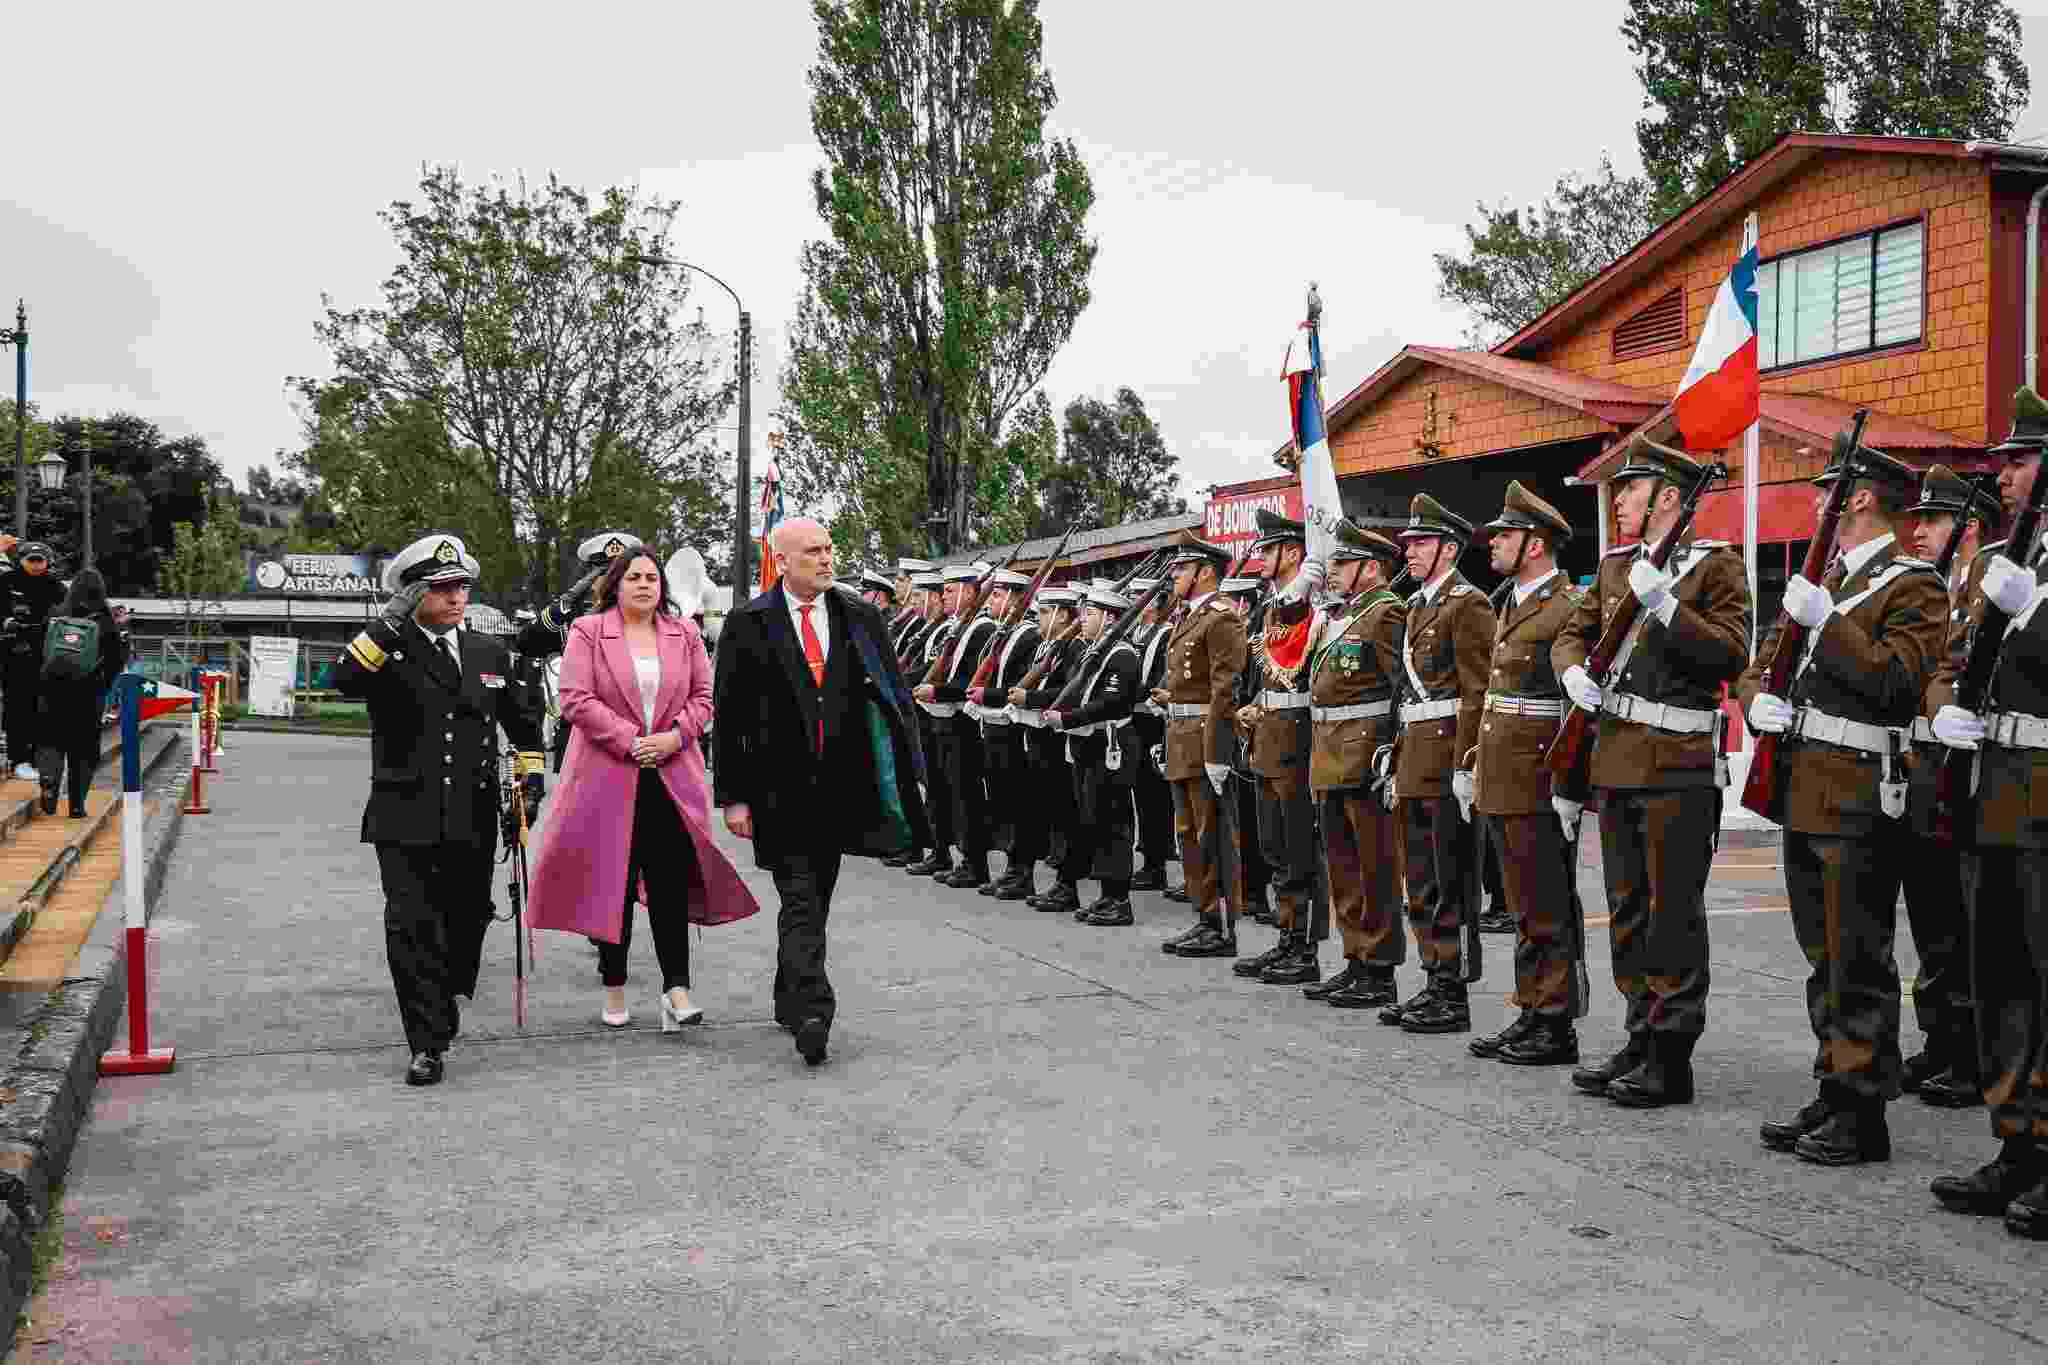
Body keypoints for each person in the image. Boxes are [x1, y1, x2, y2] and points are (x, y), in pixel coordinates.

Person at [1741, 440, 1944, 1161]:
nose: (1822, 498)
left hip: (1859, 790)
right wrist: (1754, 702)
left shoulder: (1915, 584)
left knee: (1859, 954)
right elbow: (1761, 664)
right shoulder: (1823, 579)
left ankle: (1864, 1111)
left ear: (1859, 497)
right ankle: (1834, 1084)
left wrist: (1828, 622)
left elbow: (1896, 682)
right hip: (1803, 784)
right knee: (1821, 953)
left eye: (1831, 486)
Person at [1555, 443, 1750, 1109]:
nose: (1619, 500)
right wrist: (1572, 669)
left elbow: (1729, 651)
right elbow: (1571, 633)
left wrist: (1667, 606)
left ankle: (1672, 1052)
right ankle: (1639, 1032)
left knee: (1674, 914)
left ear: (1670, 495)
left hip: (1676, 764)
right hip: (1616, 761)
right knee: (1630, 909)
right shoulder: (1616, 568)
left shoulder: (1716, 567)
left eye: (1631, 488)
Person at [713, 516, 931, 1067]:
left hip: (841, 793)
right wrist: (733, 797)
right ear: (781, 561)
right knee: (801, 898)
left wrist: (907, 776)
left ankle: (789, 995)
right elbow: (731, 715)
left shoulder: (859, 616)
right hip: (777, 795)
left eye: (830, 549)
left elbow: (893, 699)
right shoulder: (748, 624)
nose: (827, 559)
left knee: (817, 900)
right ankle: (814, 1010)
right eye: (813, 552)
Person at [331, 533, 546, 1087]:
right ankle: (425, 1042)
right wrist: (389, 620)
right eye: (442, 589)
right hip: (404, 815)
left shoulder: (487, 653)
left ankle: (445, 996)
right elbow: (343, 681)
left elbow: (523, 727)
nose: (456, 598)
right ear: (412, 594)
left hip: (471, 817)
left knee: (467, 918)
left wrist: (531, 778)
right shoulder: (388, 649)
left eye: (461, 588)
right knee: (411, 925)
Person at [525, 548, 759, 1029]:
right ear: (615, 584)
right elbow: (574, 699)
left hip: (671, 777)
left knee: (670, 885)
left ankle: (677, 989)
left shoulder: (685, 633)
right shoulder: (590, 632)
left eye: (652, 577)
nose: (645, 585)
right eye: (633, 577)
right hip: (607, 776)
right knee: (613, 885)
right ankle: (614, 987)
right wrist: (630, 741)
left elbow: (704, 696)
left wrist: (674, 736)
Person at [1928, 386, 2048, 1235]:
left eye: (2019, 459)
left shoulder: (2025, 576)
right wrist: (1943, 705)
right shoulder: (2004, 558)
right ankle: (2017, 1142)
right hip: (1990, 789)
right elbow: (1951, 654)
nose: (2003, 474)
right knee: (1999, 977)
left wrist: (2034, 612)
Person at [1468, 483, 1586, 1066]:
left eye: (1506, 535)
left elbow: (1573, 706)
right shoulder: (1510, 602)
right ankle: (1531, 1008)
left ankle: (1556, 1020)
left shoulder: (1567, 607)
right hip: (1502, 771)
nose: (1494, 543)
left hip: (1538, 774)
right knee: (1521, 903)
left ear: (1535, 545)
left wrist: (1570, 784)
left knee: (1546, 903)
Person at [1897, 464, 1995, 1110]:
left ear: (1968, 524)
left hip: (1967, 766)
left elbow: (1959, 663)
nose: (1921, 531)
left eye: (1934, 520)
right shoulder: (1937, 585)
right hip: (1929, 765)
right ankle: (1941, 1035)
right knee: (1932, 912)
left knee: (1965, 920)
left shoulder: (1987, 574)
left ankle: (1971, 1053)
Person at [1384, 496, 1495, 1033]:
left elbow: (1477, 690)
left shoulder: (1468, 604)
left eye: (1421, 543)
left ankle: (1453, 992)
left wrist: (1466, 762)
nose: (1410, 552)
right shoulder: (1418, 605)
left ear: (1449, 549)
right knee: (1421, 879)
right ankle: (1433, 977)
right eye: (1408, 544)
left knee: (1451, 878)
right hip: (1414, 754)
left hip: (1447, 750)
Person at [1305, 522, 1408, 1010]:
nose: (1335, 572)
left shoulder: (1387, 614)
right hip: (1329, 755)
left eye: (1344, 564)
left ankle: (1380, 968)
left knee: (1374, 869)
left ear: (1371, 568)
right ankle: (1354, 959)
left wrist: (1389, 752)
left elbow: (1399, 688)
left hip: (1364, 757)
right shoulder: (1345, 615)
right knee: (1344, 869)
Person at [1234, 510, 1326, 986]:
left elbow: (1303, 665)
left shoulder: (1307, 604)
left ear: (1293, 553)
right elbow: (1264, 670)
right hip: (1269, 732)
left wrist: (1302, 592)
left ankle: (1303, 947)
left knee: (1297, 847)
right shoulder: (1270, 604)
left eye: (1268, 550)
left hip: (1296, 734)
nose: (1260, 558)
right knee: (1273, 844)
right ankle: (1286, 936)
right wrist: (1251, 704)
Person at [1155, 536, 1248, 959]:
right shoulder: (1189, 617)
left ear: (1205, 572)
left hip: (1203, 741)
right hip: (1180, 739)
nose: (1174, 575)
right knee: (1189, 835)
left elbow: (1224, 691)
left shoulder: (1221, 619)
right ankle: (1205, 916)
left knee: (1212, 835)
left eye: (1181, 568)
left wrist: (1216, 752)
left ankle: (1222, 926)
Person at [1044, 582, 1143, 924]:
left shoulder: (1123, 655)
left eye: (1092, 614)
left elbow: (1110, 702)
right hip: (1088, 745)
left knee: (1114, 822)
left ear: (1111, 618)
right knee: (1095, 818)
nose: (1084, 619)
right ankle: (1106, 895)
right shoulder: (1094, 652)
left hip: (1110, 744)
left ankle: (1119, 899)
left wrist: (1068, 718)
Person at [514, 530, 646, 773]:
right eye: (603, 574)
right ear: (591, 578)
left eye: (621, 575)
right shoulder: (571, 620)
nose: (612, 583)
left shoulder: (649, 619)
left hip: (638, 737)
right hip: (583, 740)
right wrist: (565, 602)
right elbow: (526, 643)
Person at [917, 563, 1001, 889]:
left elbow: (967, 681)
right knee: (943, 791)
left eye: (950, 590)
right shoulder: (958, 627)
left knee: (966, 795)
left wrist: (936, 691)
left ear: (969, 592)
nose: (944, 596)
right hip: (942, 721)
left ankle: (974, 862)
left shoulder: (981, 629)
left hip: (962, 723)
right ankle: (944, 852)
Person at [967, 570, 1043, 901]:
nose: (992, 601)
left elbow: (1018, 686)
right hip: (994, 728)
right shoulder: (1003, 633)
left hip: (1013, 731)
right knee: (1004, 803)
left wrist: (988, 696)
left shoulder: (1029, 636)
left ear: (1015, 598)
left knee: (1022, 803)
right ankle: (1011, 868)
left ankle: (1022, 871)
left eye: (998, 595)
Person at [34, 567, 127, 818]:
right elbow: (117, 660)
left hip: (52, 691)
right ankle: (76, 804)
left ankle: (49, 779)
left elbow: (37, 652)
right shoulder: (106, 621)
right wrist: (103, 686)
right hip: (88, 693)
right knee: (84, 750)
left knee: (50, 740)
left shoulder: (56, 615)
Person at [1014, 586, 1084, 911]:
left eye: (1045, 611)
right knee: (1038, 808)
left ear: (1064, 615)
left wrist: (1030, 699)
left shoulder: (1073, 648)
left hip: (1057, 739)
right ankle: (1028, 874)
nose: (1038, 617)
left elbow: (1066, 691)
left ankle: (1067, 885)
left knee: (1065, 813)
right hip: (1036, 735)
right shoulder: (1045, 646)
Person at [1126, 583, 1177, 891]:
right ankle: (1148, 858)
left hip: (1154, 722)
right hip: (1134, 720)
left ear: (1154, 603)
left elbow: (1159, 679)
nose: (1134, 601)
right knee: (1142, 795)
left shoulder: (1166, 634)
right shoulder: (1135, 634)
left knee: (1155, 796)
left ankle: (1156, 863)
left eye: (1139, 596)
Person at [0, 542, 65, 780]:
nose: (36, 564)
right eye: (31, 560)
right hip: (14, 653)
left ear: (48, 561)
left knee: (43, 708)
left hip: (47, 655)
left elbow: (69, 612)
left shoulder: (56, 586)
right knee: (17, 706)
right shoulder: (6, 582)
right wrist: (7, 621)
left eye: (40, 560)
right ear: (21, 560)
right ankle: (18, 758)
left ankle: (39, 758)